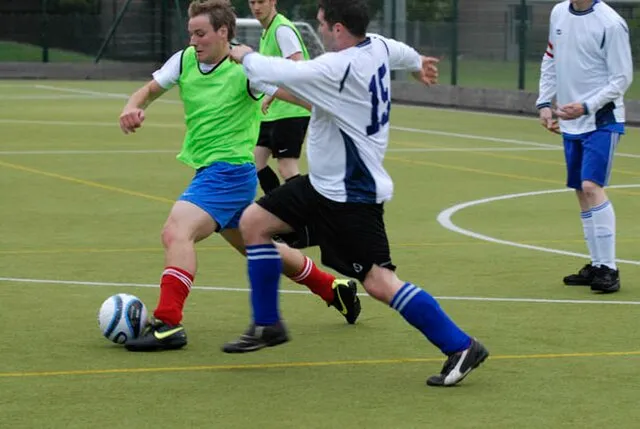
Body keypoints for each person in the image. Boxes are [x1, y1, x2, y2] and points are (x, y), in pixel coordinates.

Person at [222, 0, 489, 387]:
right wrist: (417, 64)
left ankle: (461, 345)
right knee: (254, 222)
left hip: (352, 195)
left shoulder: (340, 66)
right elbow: (400, 50)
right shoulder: (375, 46)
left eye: (322, 25)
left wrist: (246, 55)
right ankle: (268, 324)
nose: (319, 31)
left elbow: (282, 69)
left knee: (380, 283)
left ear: (338, 28)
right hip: (323, 184)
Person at [118, 0, 361, 352]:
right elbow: (150, 89)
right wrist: (132, 106)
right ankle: (334, 288)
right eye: (191, 34)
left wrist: (332, 111)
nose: (194, 41)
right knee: (259, 250)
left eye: (201, 34)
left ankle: (169, 322)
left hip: (227, 174)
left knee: (176, 232)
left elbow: (292, 94)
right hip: (216, 173)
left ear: (223, 33)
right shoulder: (185, 59)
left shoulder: (245, 68)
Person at [537, 0, 632, 294]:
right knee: (581, 190)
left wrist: (587, 106)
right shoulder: (559, 12)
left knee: (592, 186)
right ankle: (596, 264)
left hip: (601, 118)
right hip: (570, 119)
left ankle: (610, 269)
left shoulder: (610, 23)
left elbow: (622, 78)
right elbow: (550, 57)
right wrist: (544, 102)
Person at [248, 0, 312, 195]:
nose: (256, 7)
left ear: (273, 1)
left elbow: (296, 67)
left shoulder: (282, 29)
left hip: (292, 110)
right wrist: (270, 95)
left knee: (287, 168)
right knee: (255, 163)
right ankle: (280, 212)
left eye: (261, 1)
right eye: (252, 2)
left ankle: (305, 215)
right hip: (275, 113)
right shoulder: (267, 31)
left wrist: (272, 94)